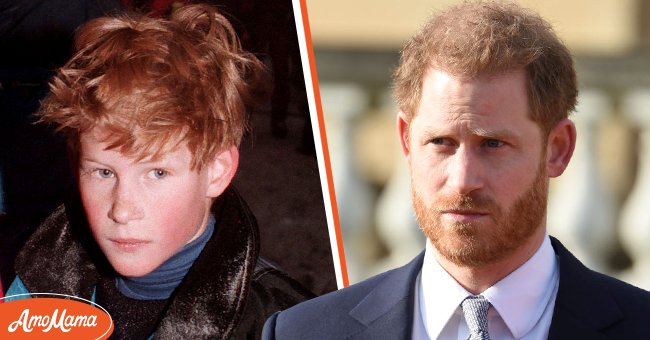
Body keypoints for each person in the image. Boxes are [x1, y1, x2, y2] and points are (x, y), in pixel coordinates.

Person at [263, 1, 650, 339]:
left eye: (493, 144)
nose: (463, 180)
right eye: (441, 142)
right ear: (406, 141)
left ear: (558, 149)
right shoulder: (302, 332)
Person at [5, 4, 313, 338]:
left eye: (157, 173)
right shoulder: (40, 280)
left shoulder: (282, 324)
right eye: (103, 173)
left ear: (217, 170)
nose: (122, 210)